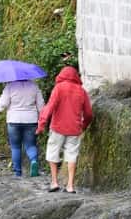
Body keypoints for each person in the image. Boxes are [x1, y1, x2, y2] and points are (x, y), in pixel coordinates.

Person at [37, 66, 94, 194]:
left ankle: (54, 182)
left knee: (52, 152)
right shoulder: (82, 91)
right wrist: (83, 125)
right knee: (72, 156)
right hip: (75, 129)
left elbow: (49, 107)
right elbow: (89, 114)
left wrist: (41, 124)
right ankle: (70, 186)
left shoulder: (59, 88)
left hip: (57, 127)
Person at [0, 79, 45, 177]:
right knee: (31, 145)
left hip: (14, 120)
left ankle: (17, 172)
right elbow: (41, 105)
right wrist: (42, 117)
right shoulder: (34, 86)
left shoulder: (10, 86)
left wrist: (0, 108)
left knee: (15, 147)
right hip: (31, 119)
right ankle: (33, 161)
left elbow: (3, 104)